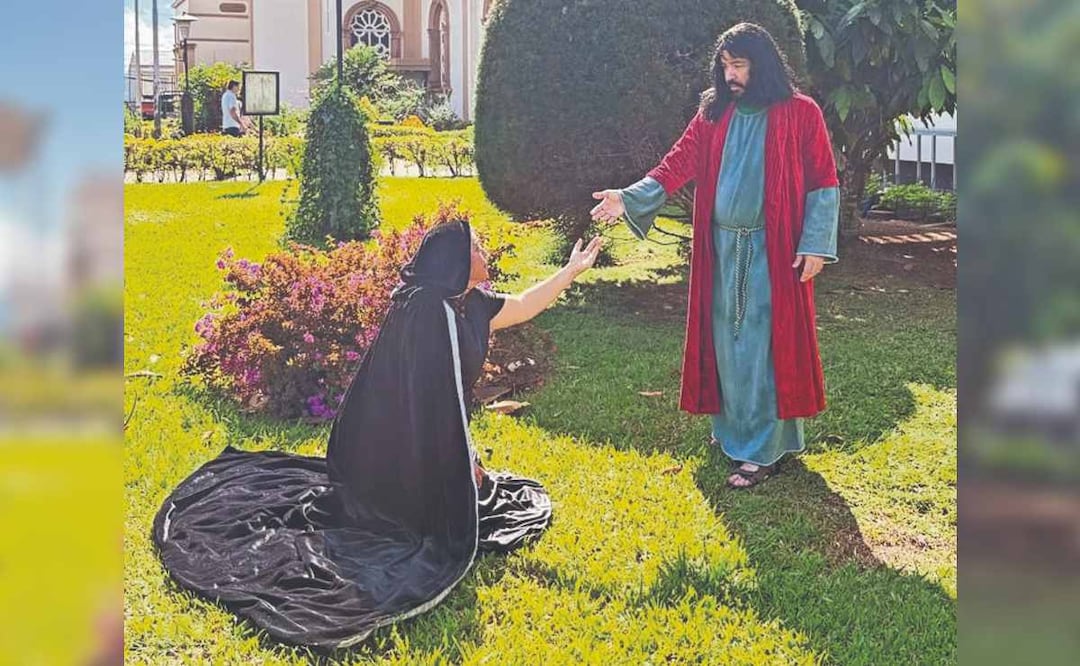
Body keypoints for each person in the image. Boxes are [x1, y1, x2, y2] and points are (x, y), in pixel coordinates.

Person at [153, 220, 602, 649]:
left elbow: (523, 305)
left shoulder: (471, 304)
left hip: (425, 434)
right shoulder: (427, 312)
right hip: (393, 446)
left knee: (473, 495)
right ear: (455, 263)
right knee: (438, 520)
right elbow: (431, 404)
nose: (484, 253)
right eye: (476, 248)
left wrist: (571, 270)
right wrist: (464, 463)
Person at [591, 22, 839, 489]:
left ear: (761, 63)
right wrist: (628, 197)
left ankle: (764, 449)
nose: (730, 75)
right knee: (727, 348)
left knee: (765, 349)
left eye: (739, 65)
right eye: (724, 65)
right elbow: (678, 161)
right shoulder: (714, 113)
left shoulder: (800, 113)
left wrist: (815, 245)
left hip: (774, 251)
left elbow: (824, 179)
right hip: (722, 250)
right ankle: (732, 435)